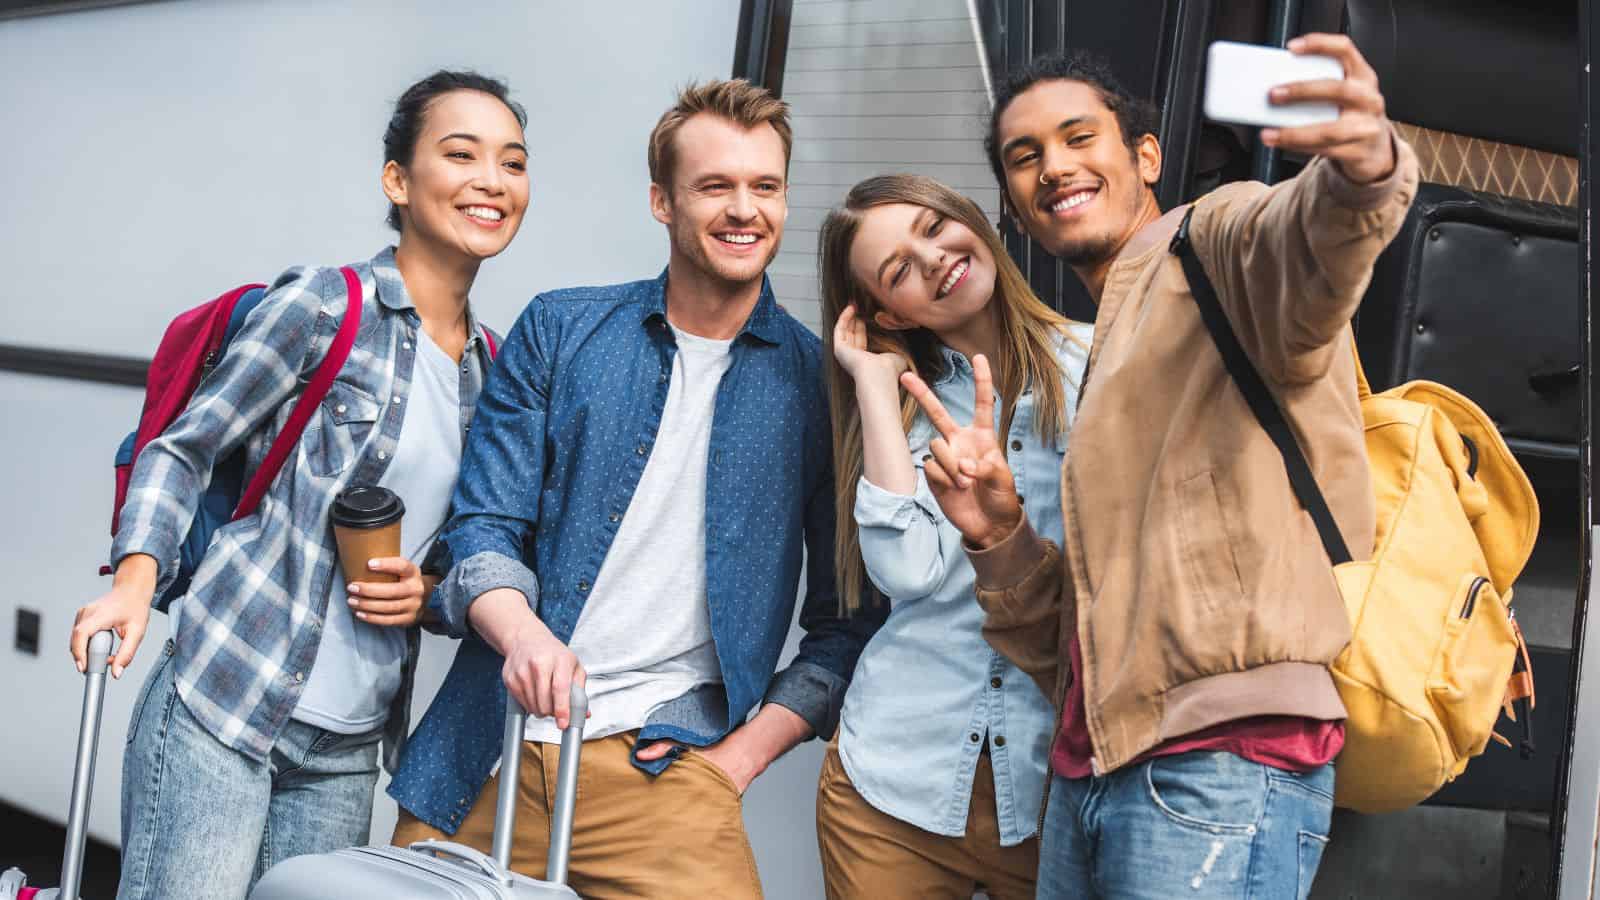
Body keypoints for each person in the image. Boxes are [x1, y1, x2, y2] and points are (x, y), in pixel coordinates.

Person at [899, 36, 1419, 899]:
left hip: (1217, 762)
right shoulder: (1110, 342)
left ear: (1146, 156)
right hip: (1097, 768)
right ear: (1017, 209)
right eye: (1023, 159)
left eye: (1077, 138)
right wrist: (997, 533)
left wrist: (1364, 169)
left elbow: (1307, 240)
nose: (1053, 167)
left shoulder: (1213, 245)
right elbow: (1089, 641)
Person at [386, 79, 882, 900]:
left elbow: (845, 624)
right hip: (487, 747)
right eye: (714, 186)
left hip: (666, 773)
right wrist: (525, 638)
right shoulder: (562, 329)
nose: (743, 210)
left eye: (765, 187)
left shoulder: (816, 385)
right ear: (662, 201)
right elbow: (484, 529)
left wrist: (737, 763)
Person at [68, 70, 530, 899]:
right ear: (397, 179)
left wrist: (424, 594)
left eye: (513, 161)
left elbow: (463, 553)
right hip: (227, 696)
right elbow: (183, 447)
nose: (491, 181)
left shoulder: (492, 370)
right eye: (461, 154)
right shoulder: (324, 306)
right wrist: (135, 584)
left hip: (349, 748)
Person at [812, 173, 1091, 899]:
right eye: (899, 269)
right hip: (892, 786)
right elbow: (905, 572)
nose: (932, 259)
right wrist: (873, 386)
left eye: (934, 228)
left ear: (970, 219)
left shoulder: (1102, 365)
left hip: (1052, 793)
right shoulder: (903, 416)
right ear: (889, 313)